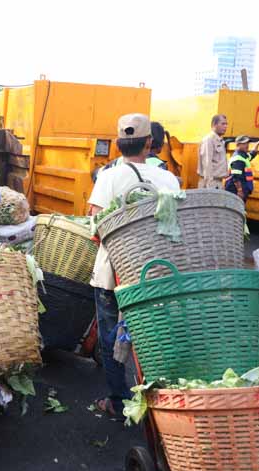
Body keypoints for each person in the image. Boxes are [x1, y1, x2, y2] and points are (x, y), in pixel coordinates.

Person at [88, 113, 181, 417]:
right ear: (150, 143)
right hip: (157, 272)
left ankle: (117, 401)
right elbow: (175, 225)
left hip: (113, 276)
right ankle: (162, 400)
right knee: (156, 336)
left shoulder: (108, 177)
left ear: (118, 143)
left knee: (111, 338)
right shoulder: (168, 179)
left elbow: (96, 230)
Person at [226, 135, 259, 202]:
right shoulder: (238, 159)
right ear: (238, 145)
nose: (247, 145)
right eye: (244, 144)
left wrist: (257, 144)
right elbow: (236, 177)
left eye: (247, 143)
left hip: (240, 188)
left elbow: (252, 155)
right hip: (235, 190)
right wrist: (240, 191)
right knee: (236, 209)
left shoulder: (244, 156)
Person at [198, 114, 229, 189]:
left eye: (226, 124)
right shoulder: (209, 140)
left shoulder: (220, 141)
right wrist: (209, 185)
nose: (225, 126)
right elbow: (207, 163)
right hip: (211, 183)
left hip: (218, 183)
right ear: (214, 125)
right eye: (223, 124)